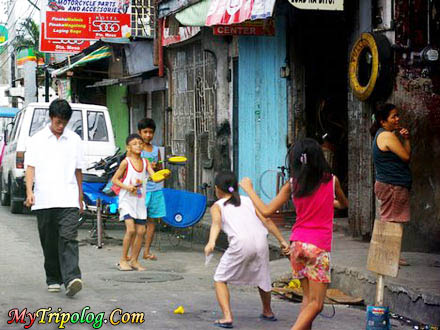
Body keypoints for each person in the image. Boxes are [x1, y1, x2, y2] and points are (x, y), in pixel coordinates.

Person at [239, 138, 348, 330]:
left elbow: (266, 211)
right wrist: (331, 203)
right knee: (317, 304)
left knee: (307, 299)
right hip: (318, 247)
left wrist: (249, 189)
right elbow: (343, 204)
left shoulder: (292, 184)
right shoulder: (332, 181)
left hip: (297, 245)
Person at [204, 171, 290, 329]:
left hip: (241, 243)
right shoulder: (248, 200)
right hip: (261, 241)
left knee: (220, 278)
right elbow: (267, 220)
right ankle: (268, 311)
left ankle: (227, 317)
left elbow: (216, 224)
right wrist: (282, 240)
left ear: (217, 189)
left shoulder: (217, 206)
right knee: (263, 276)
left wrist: (211, 242)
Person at [25, 99, 85, 297]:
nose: (61, 126)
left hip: (68, 198)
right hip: (44, 198)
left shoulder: (74, 140)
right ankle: (53, 278)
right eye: (58, 121)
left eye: (64, 122)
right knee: (49, 241)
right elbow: (30, 167)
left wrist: (79, 197)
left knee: (68, 238)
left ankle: (72, 278)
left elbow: (78, 171)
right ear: (51, 118)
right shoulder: (36, 139)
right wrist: (29, 192)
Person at [370, 103, 411, 266]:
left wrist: (406, 139)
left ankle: (389, 254)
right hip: (392, 185)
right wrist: (406, 140)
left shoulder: (382, 135)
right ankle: (390, 255)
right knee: (392, 220)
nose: (397, 119)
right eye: (393, 116)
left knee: (391, 219)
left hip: (389, 183)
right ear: (382, 121)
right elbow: (406, 157)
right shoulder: (387, 136)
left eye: (397, 115)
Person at [112, 133, 155, 271]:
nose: (138, 145)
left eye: (140, 143)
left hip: (140, 201)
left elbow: (154, 176)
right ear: (128, 147)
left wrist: (163, 174)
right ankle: (123, 260)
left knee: (141, 231)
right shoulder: (126, 162)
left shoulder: (145, 162)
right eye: (135, 143)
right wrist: (127, 187)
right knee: (131, 229)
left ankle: (134, 260)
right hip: (127, 201)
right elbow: (115, 180)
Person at [137, 118, 167, 261]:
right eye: (145, 132)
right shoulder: (136, 149)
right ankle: (134, 252)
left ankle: (147, 251)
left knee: (151, 222)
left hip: (155, 189)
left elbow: (160, 169)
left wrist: (159, 169)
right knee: (138, 222)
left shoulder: (156, 151)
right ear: (140, 132)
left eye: (151, 132)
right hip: (141, 191)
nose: (148, 135)